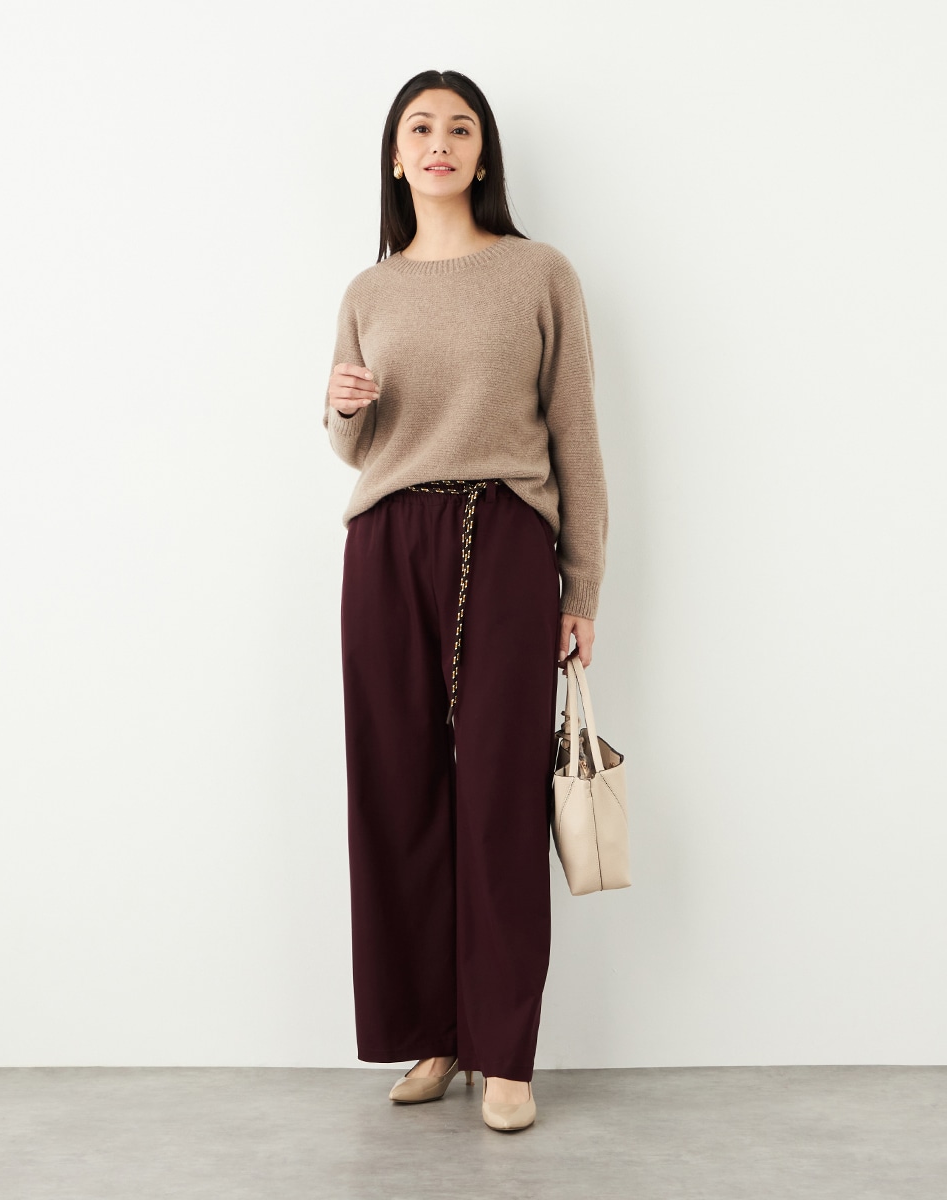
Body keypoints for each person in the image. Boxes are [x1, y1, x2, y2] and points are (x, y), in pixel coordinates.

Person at [322, 69, 609, 1132]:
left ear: (482, 154)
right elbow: (357, 443)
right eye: (419, 128)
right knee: (394, 792)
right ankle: (432, 1034)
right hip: (386, 541)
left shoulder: (539, 273)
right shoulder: (369, 290)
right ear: (396, 158)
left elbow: (575, 434)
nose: (439, 142)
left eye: (459, 127)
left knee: (497, 796)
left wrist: (582, 582)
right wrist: (340, 410)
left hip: (507, 535)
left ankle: (504, 1055)